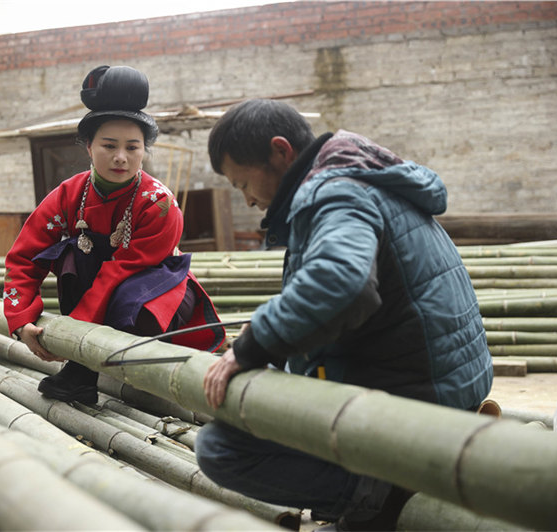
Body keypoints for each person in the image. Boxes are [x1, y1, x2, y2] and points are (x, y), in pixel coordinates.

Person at [195, 99, 493, 530]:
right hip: (445, 388)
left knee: (222, 448)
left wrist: (253, 345)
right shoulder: (360, 175)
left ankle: (379, 494)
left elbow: (341, 283)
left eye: (243, 183)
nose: (248, 200)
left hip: (419, 405)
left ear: (281, 152)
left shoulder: (335, 190)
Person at [4, 65, 224, 405]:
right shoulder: (67, 196)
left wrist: (73, 334)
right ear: (88, 147)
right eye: (109, 145)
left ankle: (133, 374)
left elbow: (119, 272)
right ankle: (84, 376)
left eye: (133, 148)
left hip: (154, 297)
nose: (121, 157)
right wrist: (21, 322)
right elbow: (23, 258)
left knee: (131, 299)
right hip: (97, 296)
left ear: (143, 151)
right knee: (69, 255)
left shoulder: (160, 204)